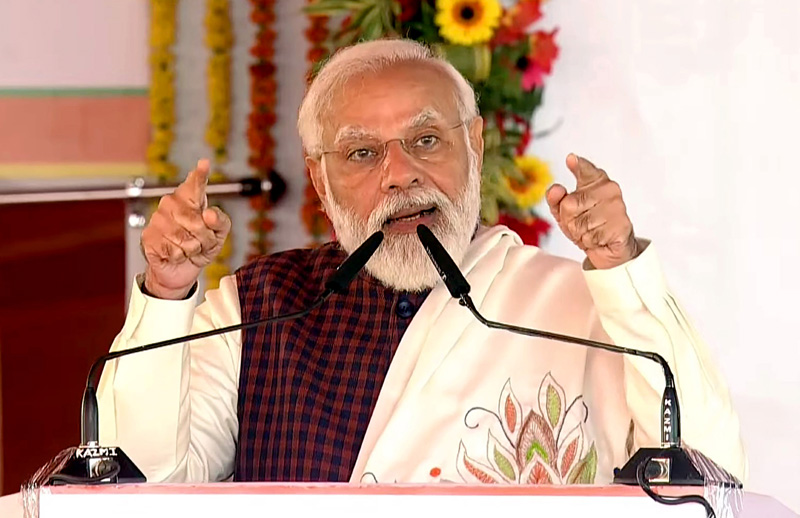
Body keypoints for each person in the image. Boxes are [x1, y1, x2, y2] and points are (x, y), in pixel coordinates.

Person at [97, 39, 747, 485]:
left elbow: (705, 468)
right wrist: (168, 290)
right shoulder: (261, 307)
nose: (400, 175)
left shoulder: (577, 305)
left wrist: (620, 267)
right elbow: (143, 482)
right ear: (320, 183)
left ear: (475, 144)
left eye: (426, 139)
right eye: (361, 154)